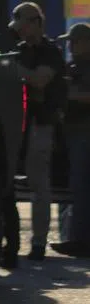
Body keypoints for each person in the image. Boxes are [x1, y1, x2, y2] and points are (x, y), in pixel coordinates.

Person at [7, 2, 66, 263]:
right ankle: (10, 243)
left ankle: (39, 243)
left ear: (36, 23)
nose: (20, 32)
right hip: (18, 123)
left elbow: (40, 79)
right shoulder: (19, 51)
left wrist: (12, 69)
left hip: (41, 123)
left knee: (38, 182)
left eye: (24, 25)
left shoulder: (50, 52)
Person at [53, 23, 90, 257]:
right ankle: (69, 236)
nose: (70, 45)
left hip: (84, 132)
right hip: (70, 131)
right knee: (69, 186)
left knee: (80, 187)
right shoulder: (73, 66)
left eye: (74, 41)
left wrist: (67, 93)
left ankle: (80, 240)